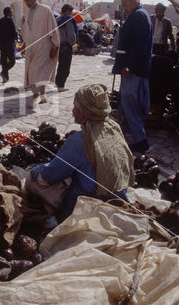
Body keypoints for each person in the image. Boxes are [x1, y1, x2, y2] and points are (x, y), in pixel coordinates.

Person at [25, 84, 133, 222]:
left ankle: (60, 219)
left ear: (83, 112)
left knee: (33, 179)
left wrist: (37, 170)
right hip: (118, 199)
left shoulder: (79, 140)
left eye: (76, 107)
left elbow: (49, 175)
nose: (72, 111)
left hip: (87, 205)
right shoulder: (114, 128)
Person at [112, 0, 152, 153]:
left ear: (134, 2)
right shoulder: (139, 15)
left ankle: (140, 140)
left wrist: (130, 67)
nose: (123, 6)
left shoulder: (138, 16)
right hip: (134, 68)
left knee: (131, 103)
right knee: (128, 102)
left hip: (133, 70)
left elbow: (139, 46)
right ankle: (126, 132)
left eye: (125, 3)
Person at [20, 0, 60, 108]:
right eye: (25, 0)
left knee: (35, 71)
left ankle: (35, 96)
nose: (27, 2)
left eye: (29, 0)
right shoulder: (27, 12)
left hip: (44, 46)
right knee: (37, 73)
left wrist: (55, 46)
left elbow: (53, 28)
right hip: (31, 47)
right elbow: (26, 30)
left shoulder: (45, 10)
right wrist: (24, 45)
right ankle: (43, 96)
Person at [55, 4, 78, 91]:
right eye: (71, 12)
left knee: (60, 66)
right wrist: (73, 43)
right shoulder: (68, 19)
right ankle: (60, 86)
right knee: (65, 68)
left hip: (58, 46)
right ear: (68, 11)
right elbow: (71, 35)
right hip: (66, 46)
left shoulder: (57, 19)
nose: (72, 14)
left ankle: (58, 83)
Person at [0, 6, 18, 83]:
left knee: (4, 61)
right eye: (11, 12)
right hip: (9, 45)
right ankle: (4, 73)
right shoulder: (10, 20)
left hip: (2, 45)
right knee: (12, 61)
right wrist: (16, 39)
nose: (12, 13)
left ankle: (5, 77)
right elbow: (14, 32)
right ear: (9, 13)